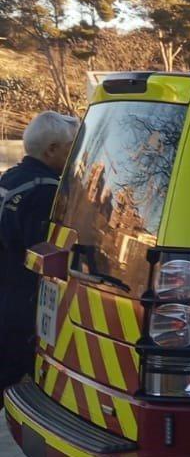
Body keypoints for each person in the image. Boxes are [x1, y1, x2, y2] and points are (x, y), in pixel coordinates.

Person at [0, 112, 78, 383]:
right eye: (72, 147)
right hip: (20, 306)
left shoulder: (10, 179)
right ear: (52, 149)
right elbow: (46, 256)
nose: (76, 154)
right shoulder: (47, 192)